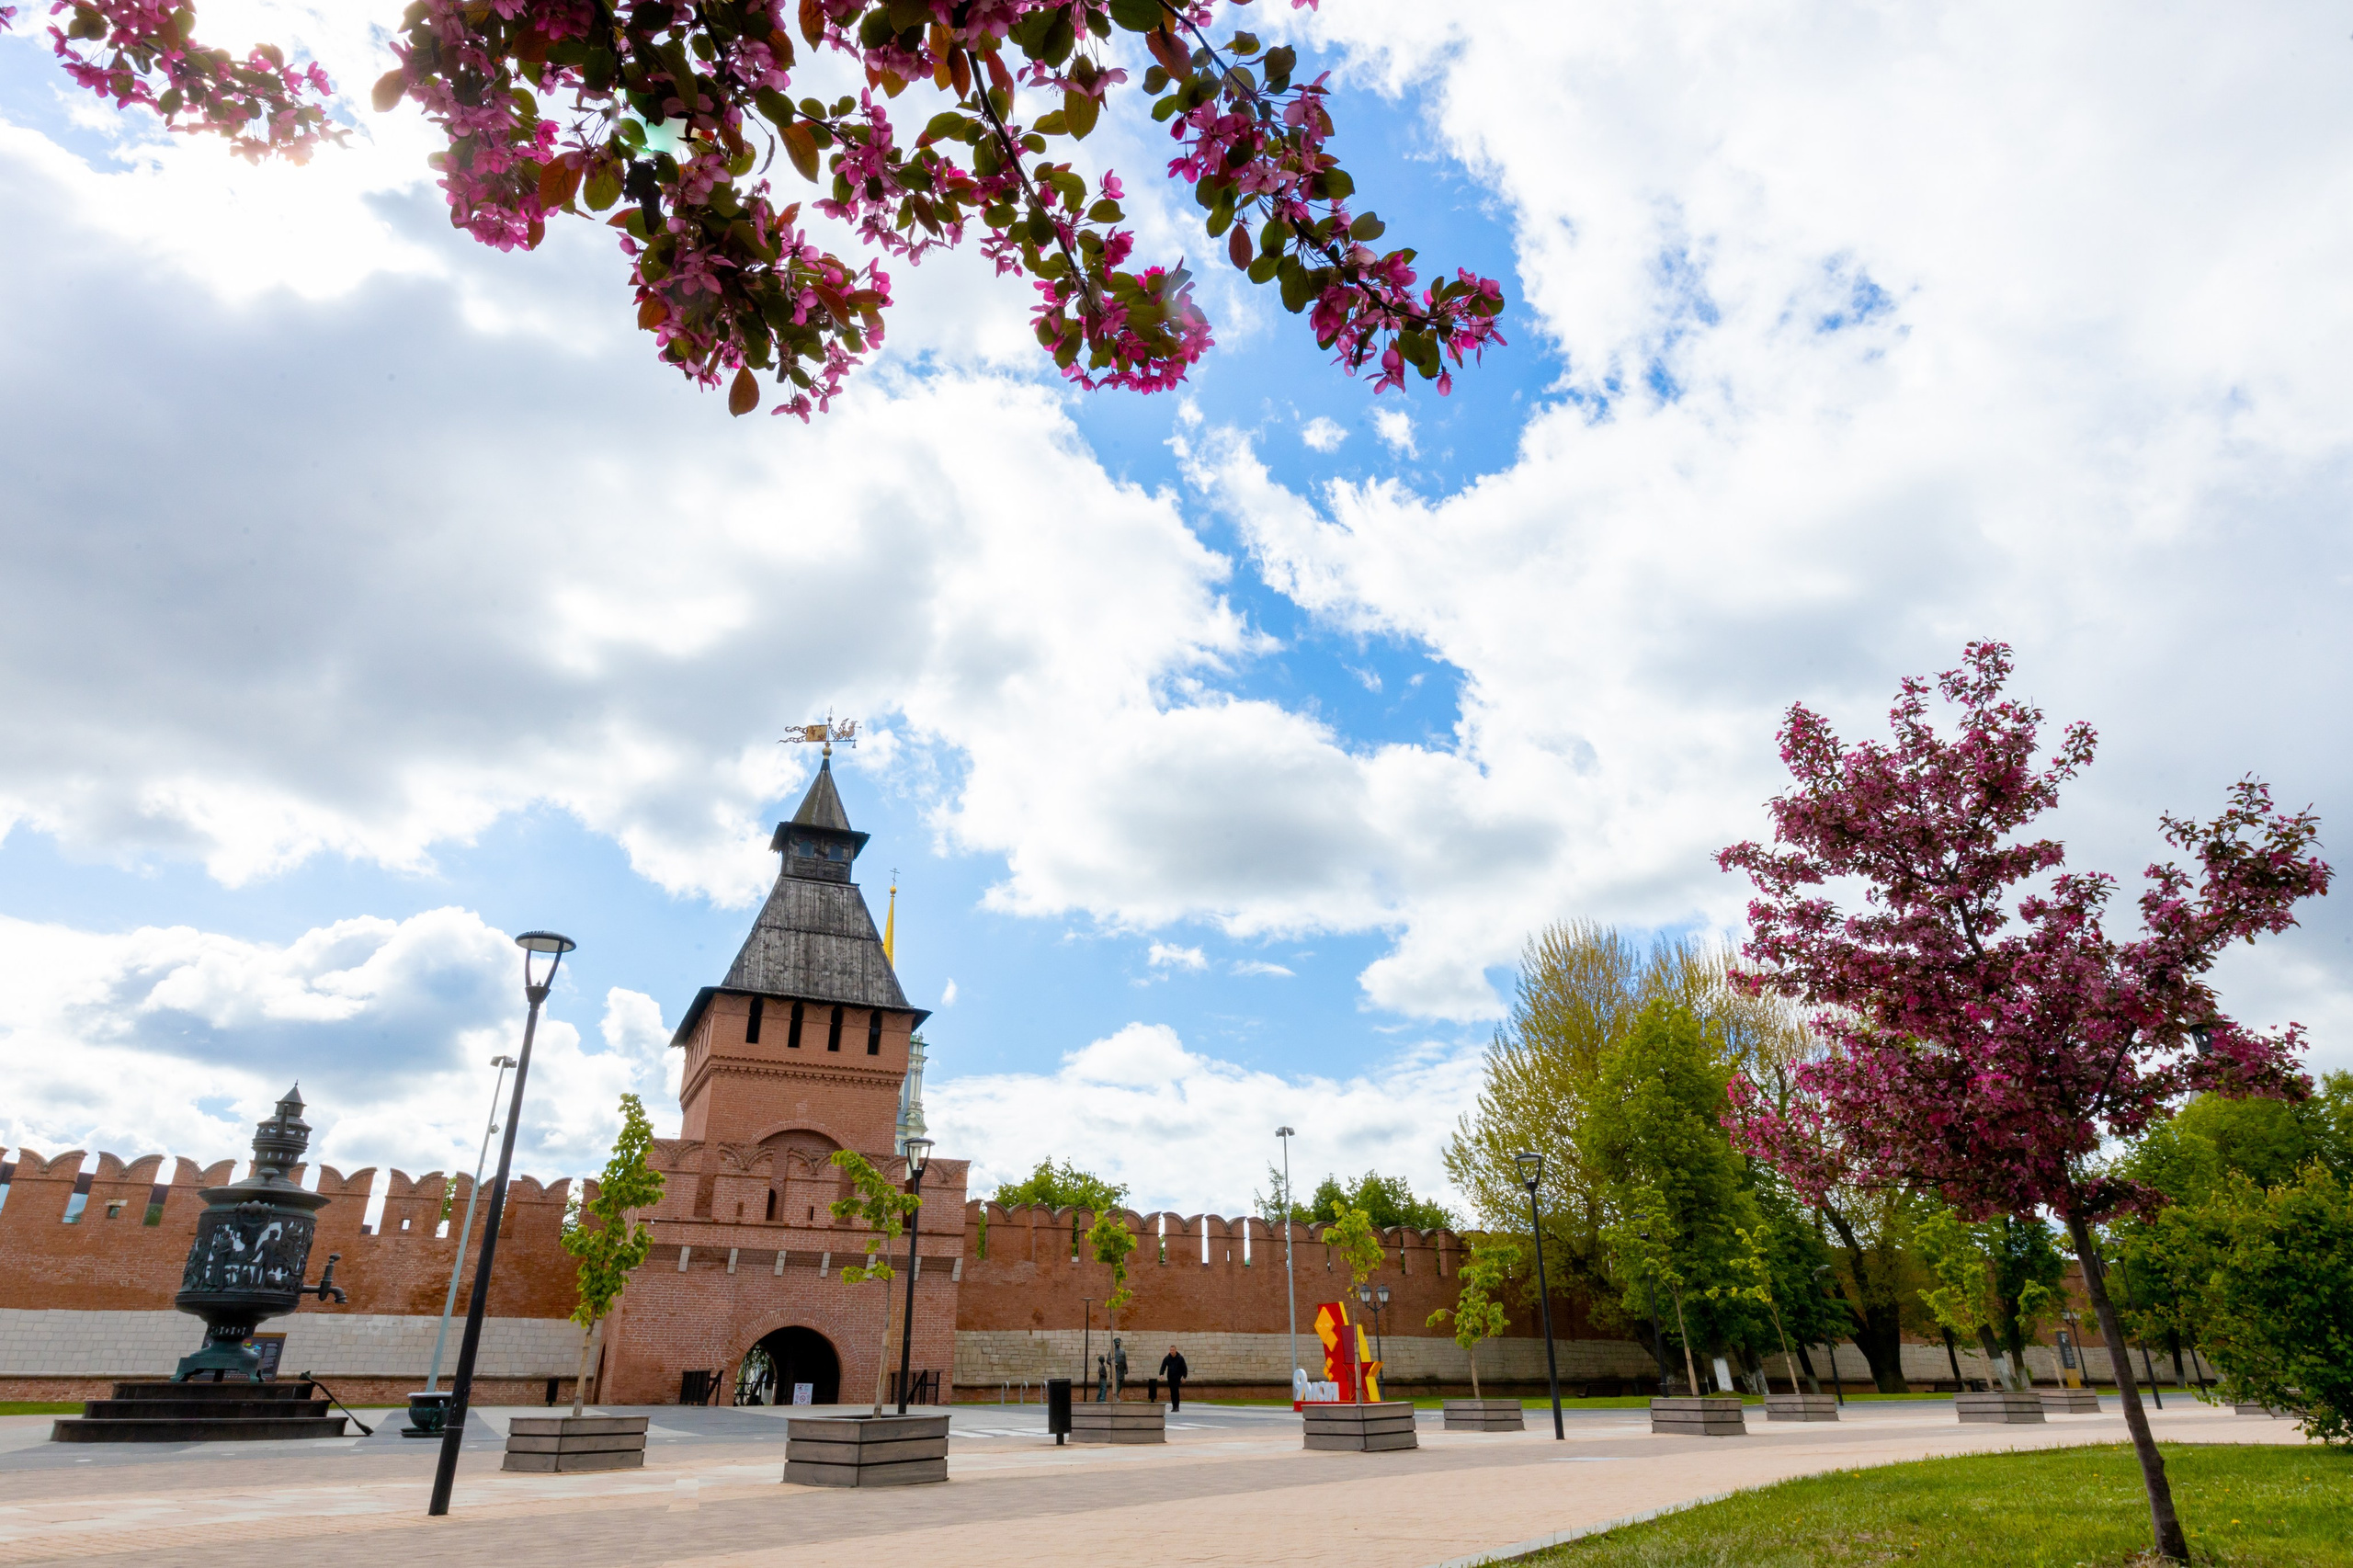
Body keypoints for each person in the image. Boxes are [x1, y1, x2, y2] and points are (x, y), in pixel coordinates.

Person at [1159, 1345, 1189, 1413]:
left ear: (1175, 1350)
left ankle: (1177, 1406)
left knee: (1176, 1391)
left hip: (1177, 1377)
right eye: (1171, 1350)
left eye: (1173, 1350)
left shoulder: (1180, 1358)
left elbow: (1184, 1368)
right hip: (1170, 1377)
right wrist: (1161, 1374)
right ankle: (1173, 1406)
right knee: (1172, 1392)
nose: (1172, 1352)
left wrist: (1184, 1377)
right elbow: (1163, 1367)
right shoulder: (1167, 1358)